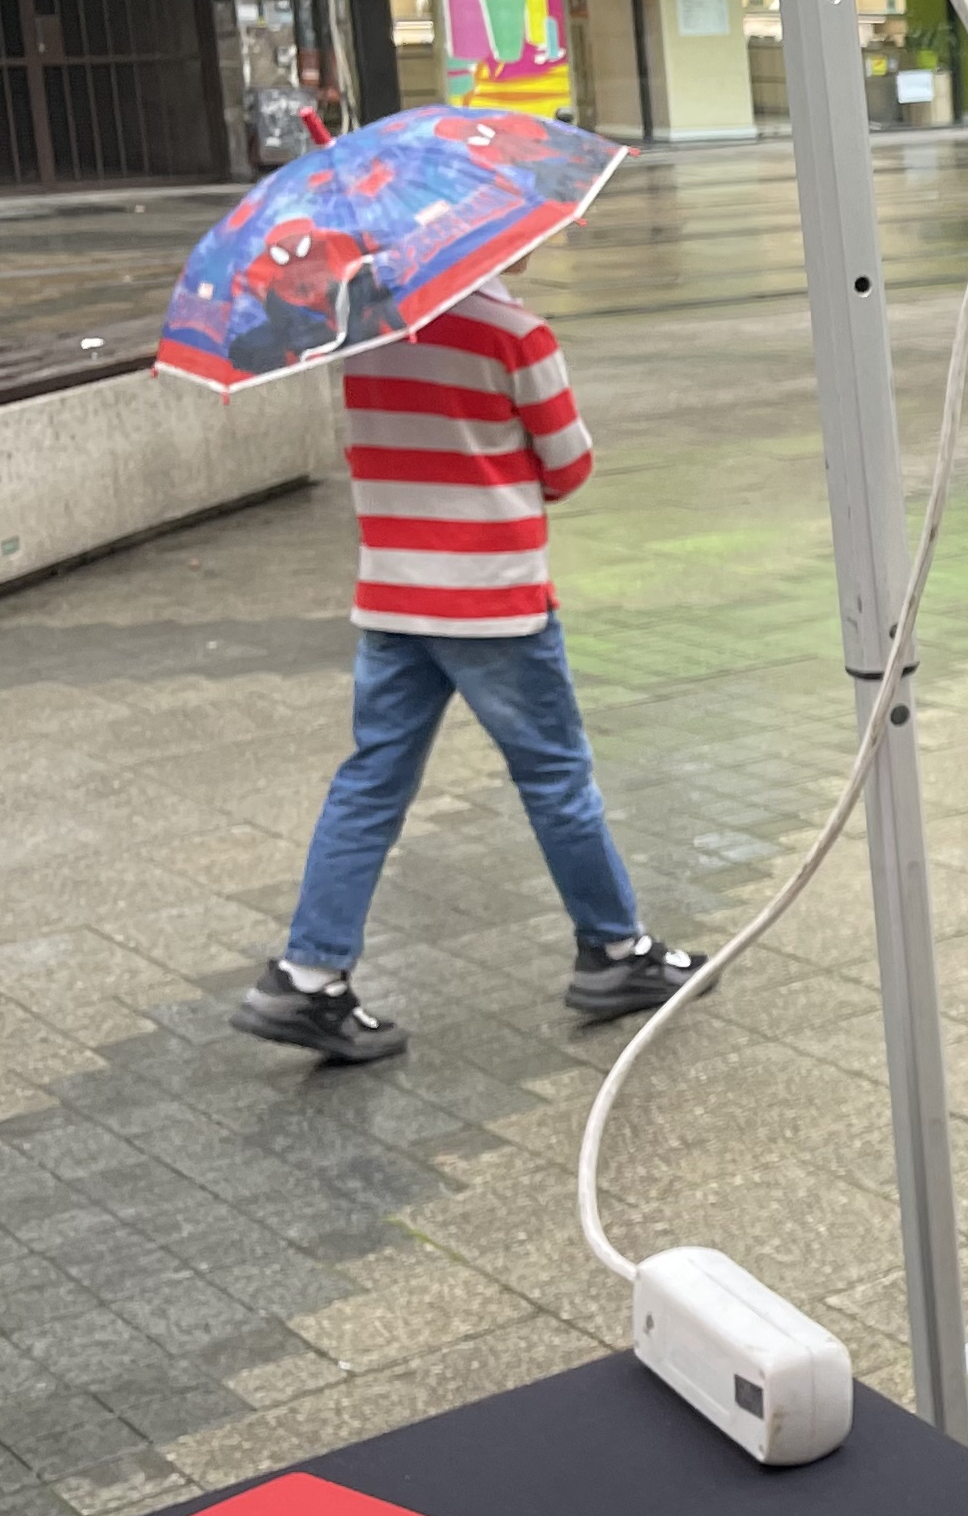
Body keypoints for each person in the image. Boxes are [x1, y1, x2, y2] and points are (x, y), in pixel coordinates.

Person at [233, 274, 702, 1065]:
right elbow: (568, 466)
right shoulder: (515, 333)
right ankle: (616, 954)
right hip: (494, 603)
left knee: (371, 781)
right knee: (554, 777)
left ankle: (307, 975)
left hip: (394, 596)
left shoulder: (365, 331)